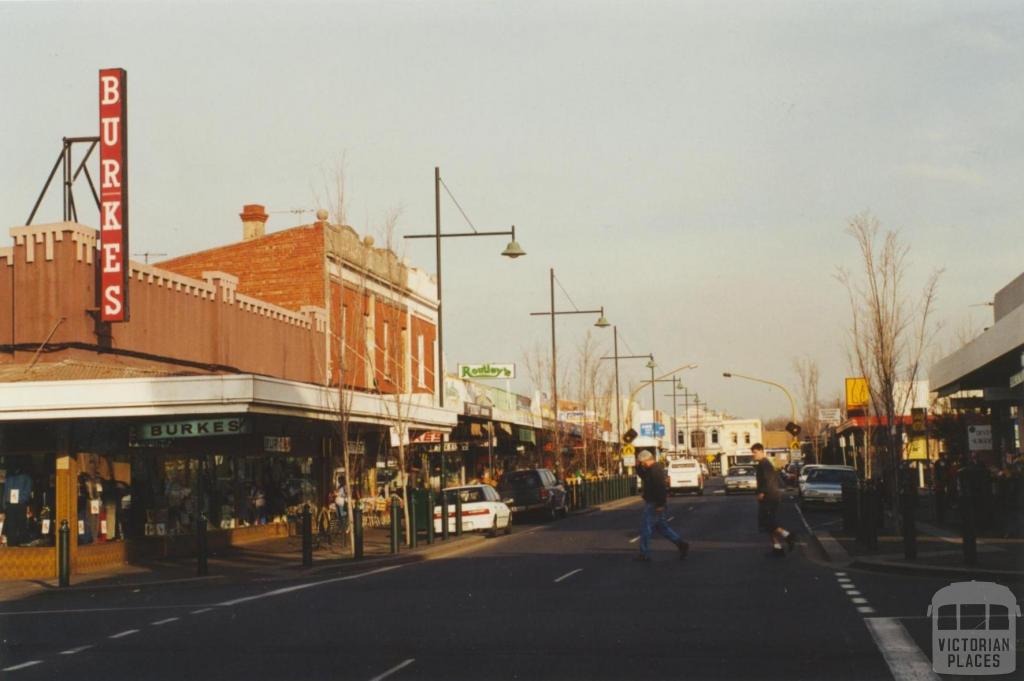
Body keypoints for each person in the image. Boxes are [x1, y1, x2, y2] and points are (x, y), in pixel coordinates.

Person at [634, 450, 688, 562]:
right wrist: (637, 467)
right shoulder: (651, 469)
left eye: (642, 462)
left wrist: (660, 504)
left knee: (646, 528)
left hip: (654, 503)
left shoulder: (655, 470)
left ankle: (644, 553)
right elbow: (643, 476)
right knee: (662, 528)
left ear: (646, 460)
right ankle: (681, 544)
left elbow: (660, 488)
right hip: (655, 503)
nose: (642, 464)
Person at [752, 443, 795, 556]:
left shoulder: (764, 464)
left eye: (755, 452)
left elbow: (768, 480)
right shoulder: (763, 463)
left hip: (770, 497)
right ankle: (777, 547)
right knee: (767, 522)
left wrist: (762, 492)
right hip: (770, 496)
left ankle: (787, 535)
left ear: (762, 451)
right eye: (753, 452)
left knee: (767, 521)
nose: (753, 455)